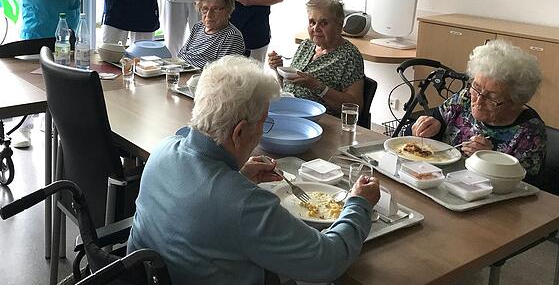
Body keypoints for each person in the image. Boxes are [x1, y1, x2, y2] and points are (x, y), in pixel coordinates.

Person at [127, 55, 380, 284]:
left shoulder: (163, 150)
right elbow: (328, 260)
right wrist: (359, 204)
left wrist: (237, 177)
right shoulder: (244, 204)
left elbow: (201, 202)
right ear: (239, 132)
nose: (261, 134)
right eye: (263, 123)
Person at [411, 40, 546, 176]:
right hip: (440, 180)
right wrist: (431, 127)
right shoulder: (464, 98)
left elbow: (524, 185)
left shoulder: (529, 131)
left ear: (515, 101)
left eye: (492, 97)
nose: (478, 101)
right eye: (476, 87)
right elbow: (429, 131)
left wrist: (489, 160)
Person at [268, 0, 364, 115]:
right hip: (291, 110)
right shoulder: (306, 45)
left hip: (322, 121)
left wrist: (318, 87)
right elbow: (291, 88)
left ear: (339, 25)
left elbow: (355, 107)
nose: (316, 28)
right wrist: (278, 69)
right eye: (312, 22)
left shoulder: (349, 56)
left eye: (324, 23)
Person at [177, 0, 245, 68]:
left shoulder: (232, 36)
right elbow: (181, 55)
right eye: (205, 9)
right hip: (183, 72)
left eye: (215, 9)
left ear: (228, 10)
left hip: (203, 78)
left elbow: (221, 72)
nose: (209, 15)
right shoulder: (198, 26)